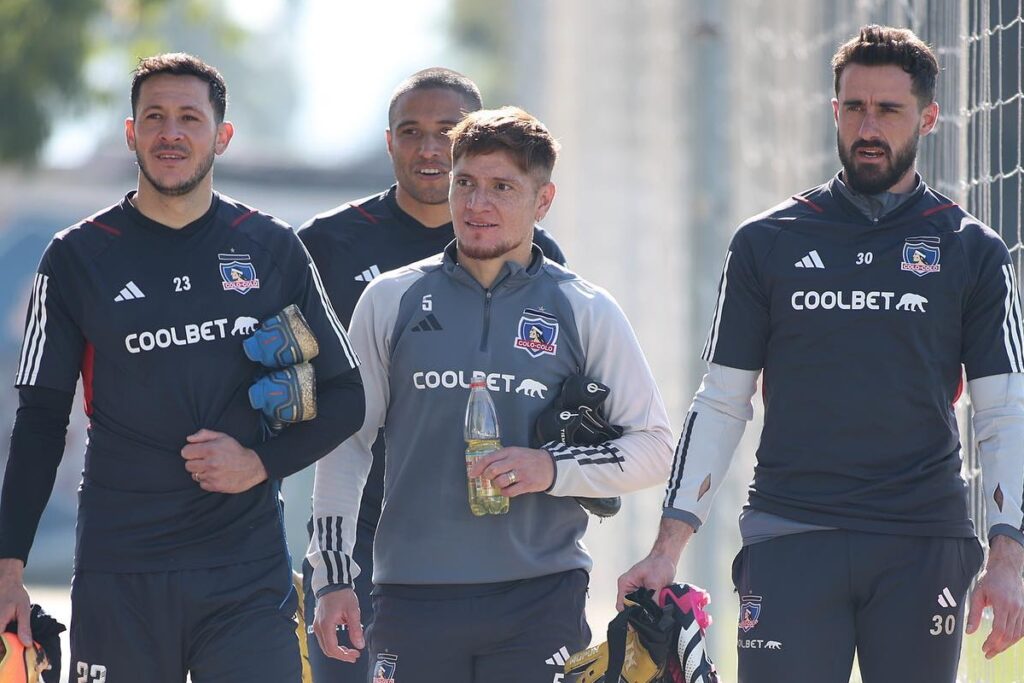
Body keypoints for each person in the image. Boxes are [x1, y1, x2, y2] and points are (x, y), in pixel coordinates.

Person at [618, 25, 1024, 683]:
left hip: (920, 540)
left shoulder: (972, 249)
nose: (869, 126)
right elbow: (721, 401)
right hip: (791, 535)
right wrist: (668, 549)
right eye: (854, 107)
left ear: (927, 117)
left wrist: (1008, 559)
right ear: (834, 110)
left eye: (888, 109)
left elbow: (1003, 412)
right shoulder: (766, 241)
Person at [0, 53, 365, 683]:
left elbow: (346, 395)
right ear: (131, 132)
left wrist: (258, 464)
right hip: (121, 574)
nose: (172, 132)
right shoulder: (77, 257)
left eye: (190, 117)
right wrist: (8, 568)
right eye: (155, 117)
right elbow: (38, 423)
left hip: (245, 575)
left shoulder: (271, 247)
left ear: (221, 135)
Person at [308, 107, 673, 682]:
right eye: (465, 184)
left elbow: (654, 446)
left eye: (502, 187)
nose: (477, 205)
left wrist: (549, 467)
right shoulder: (389, 299)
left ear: (543, 200)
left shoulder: (585, 308)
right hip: (409, 595)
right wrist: (331, 577)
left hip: (539, 597)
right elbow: (347, 445)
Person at [296, 67, 565, 683]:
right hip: (360, 517)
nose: (428, 148)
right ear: (388, 140)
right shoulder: (324, 244)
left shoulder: (533, 252)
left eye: (448, 131)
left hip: (484, 530)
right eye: (410, 131)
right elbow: (292, 372)